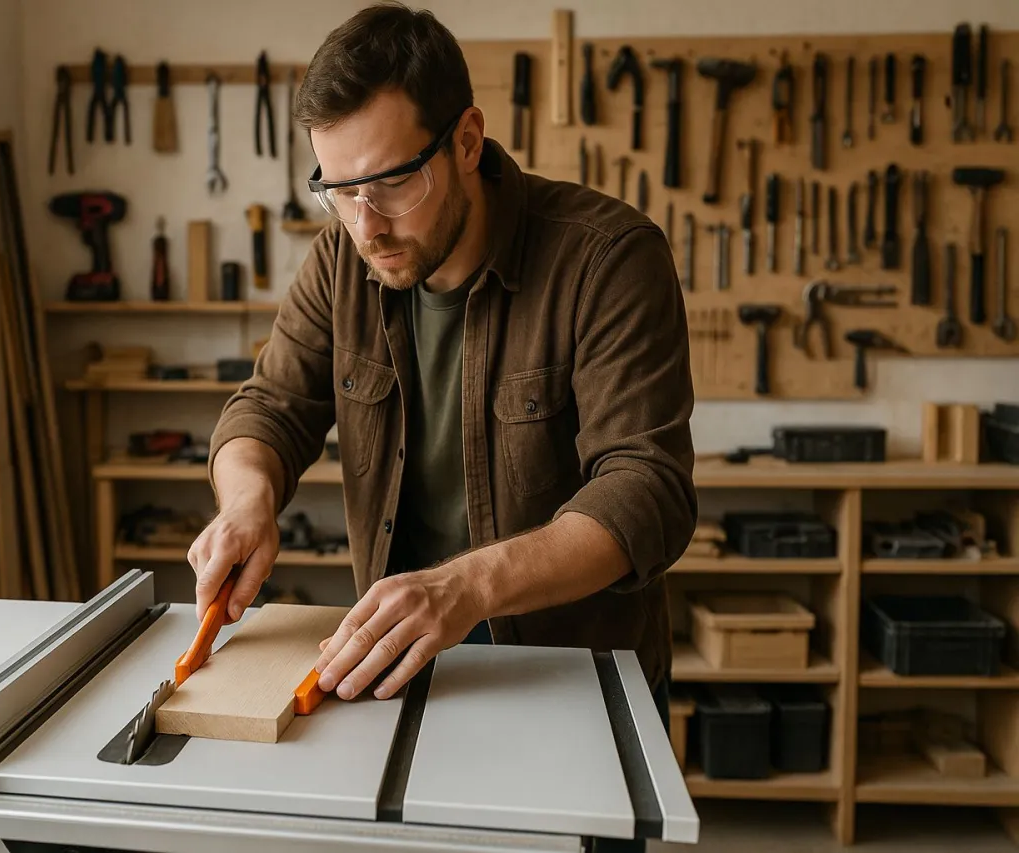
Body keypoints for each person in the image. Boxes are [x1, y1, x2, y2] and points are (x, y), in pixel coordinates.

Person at [188, 4, 696, 723]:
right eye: (339, 192)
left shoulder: (608, 259)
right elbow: (268, 408)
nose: (367, 225)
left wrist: (467, 587)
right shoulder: (341, 259)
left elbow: (646, 490)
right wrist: (247, 501)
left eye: (391, 183)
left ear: (466, 140)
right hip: (401, 673)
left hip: (571, 682)